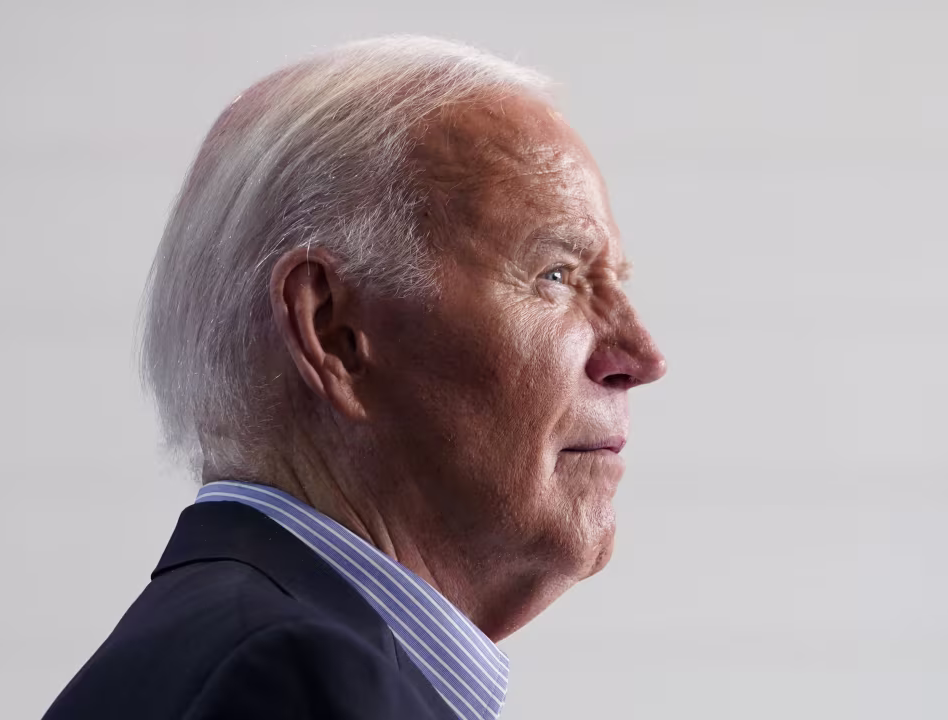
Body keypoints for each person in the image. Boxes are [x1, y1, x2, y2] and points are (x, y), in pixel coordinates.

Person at [43, 35, 666, 720]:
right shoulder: (297, 679)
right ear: (334, 334)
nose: (639, 356)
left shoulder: (214, 647)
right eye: (557, 276)